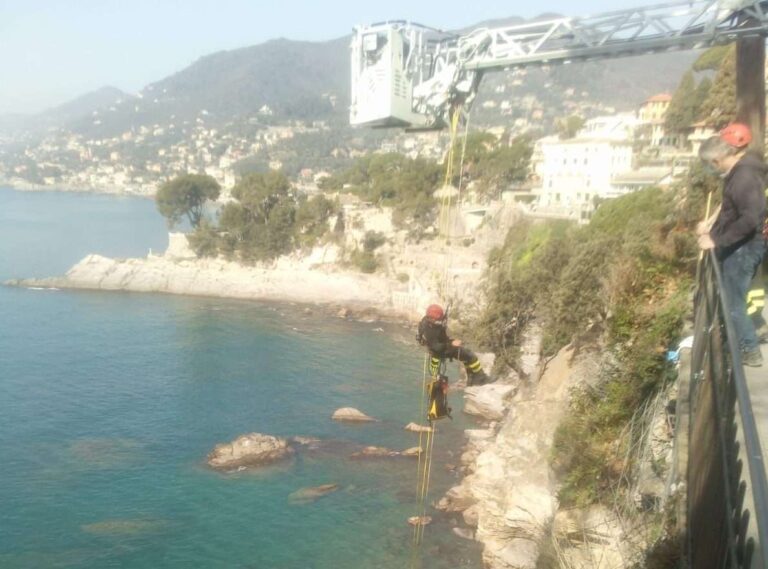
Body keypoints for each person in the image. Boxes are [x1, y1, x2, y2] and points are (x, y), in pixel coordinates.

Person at [697, 122, 767, 367]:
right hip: (741, 245)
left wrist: (715, 239)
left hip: (744, 248)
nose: (709, 169)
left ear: (717, 160)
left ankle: (749, 351)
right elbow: (729, 206)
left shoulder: (744, 178)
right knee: (734, 297)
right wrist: (711, 223)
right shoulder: (738, 173)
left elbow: (750, 218)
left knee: (733, 301)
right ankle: (747, 338)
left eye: (709, 165)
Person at [417, 304, 490, 385]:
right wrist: (451, 343)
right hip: (440, 348)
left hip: (436, 350)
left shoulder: (427, 322)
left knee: (435, 373)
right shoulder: (430, 331)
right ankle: (480, 378)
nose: (440, 322)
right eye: (438, 320)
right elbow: (437, 347)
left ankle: (471, 379)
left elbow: (434, 343)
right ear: (432, 319)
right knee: (469, 356)